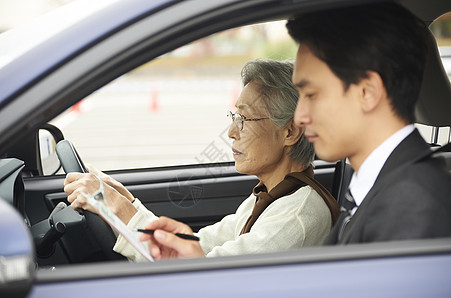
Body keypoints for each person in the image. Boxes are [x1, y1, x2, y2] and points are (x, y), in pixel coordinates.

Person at [64, 59, 340, 260]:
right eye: (234, 117)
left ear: (290, 131)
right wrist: (126, 204)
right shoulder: (271, 196)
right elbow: (198, 245)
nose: (232, 132)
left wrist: (114, 207)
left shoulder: (297, 216)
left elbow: (206, 275)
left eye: (244, 119)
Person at [284, 1, 451, 245]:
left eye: (311, 95)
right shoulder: (380, 184)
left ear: (367, 92)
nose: (299, 117)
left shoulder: (414, 203)